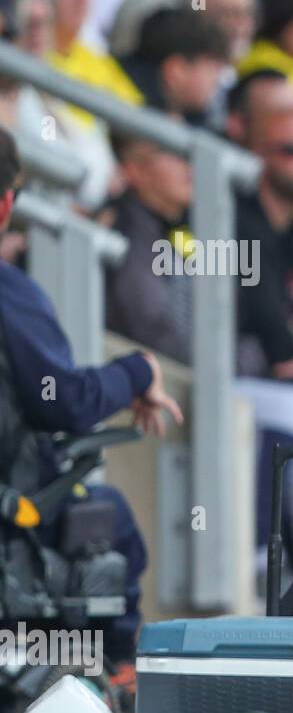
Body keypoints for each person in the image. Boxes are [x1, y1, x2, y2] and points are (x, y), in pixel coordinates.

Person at [0, 127, 183, 662]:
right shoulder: (11, 295)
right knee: (109, 518)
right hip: (14, 520)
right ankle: (114, 681)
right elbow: (66, 402)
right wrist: (137, 371)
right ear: (7, 203)